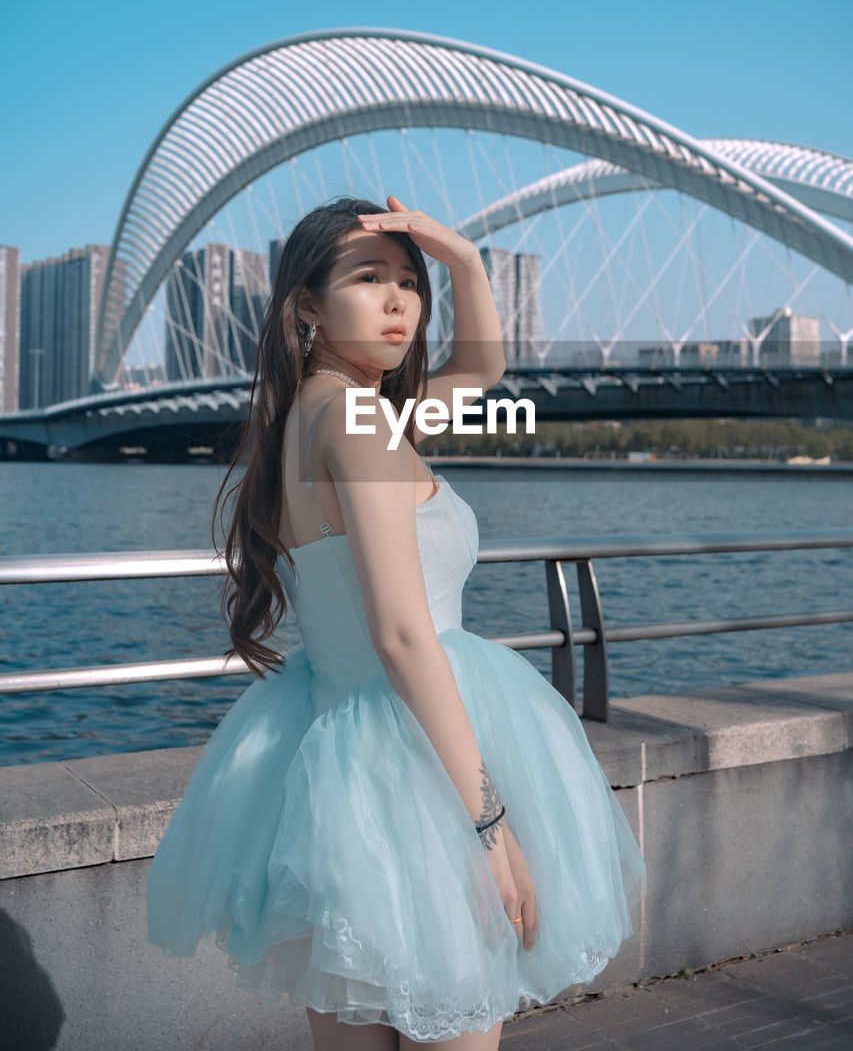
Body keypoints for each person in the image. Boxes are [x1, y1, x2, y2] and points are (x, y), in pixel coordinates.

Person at [146, 193, 645, 1050]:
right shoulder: (359, 422)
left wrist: (463, 261)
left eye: (410, 284)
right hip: (418, 766)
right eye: (367, 277)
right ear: (306, 304)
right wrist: (487, 824)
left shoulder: (319, 418)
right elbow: (403, 634)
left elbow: (480, 372)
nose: (397, 301)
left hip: (332, 763)